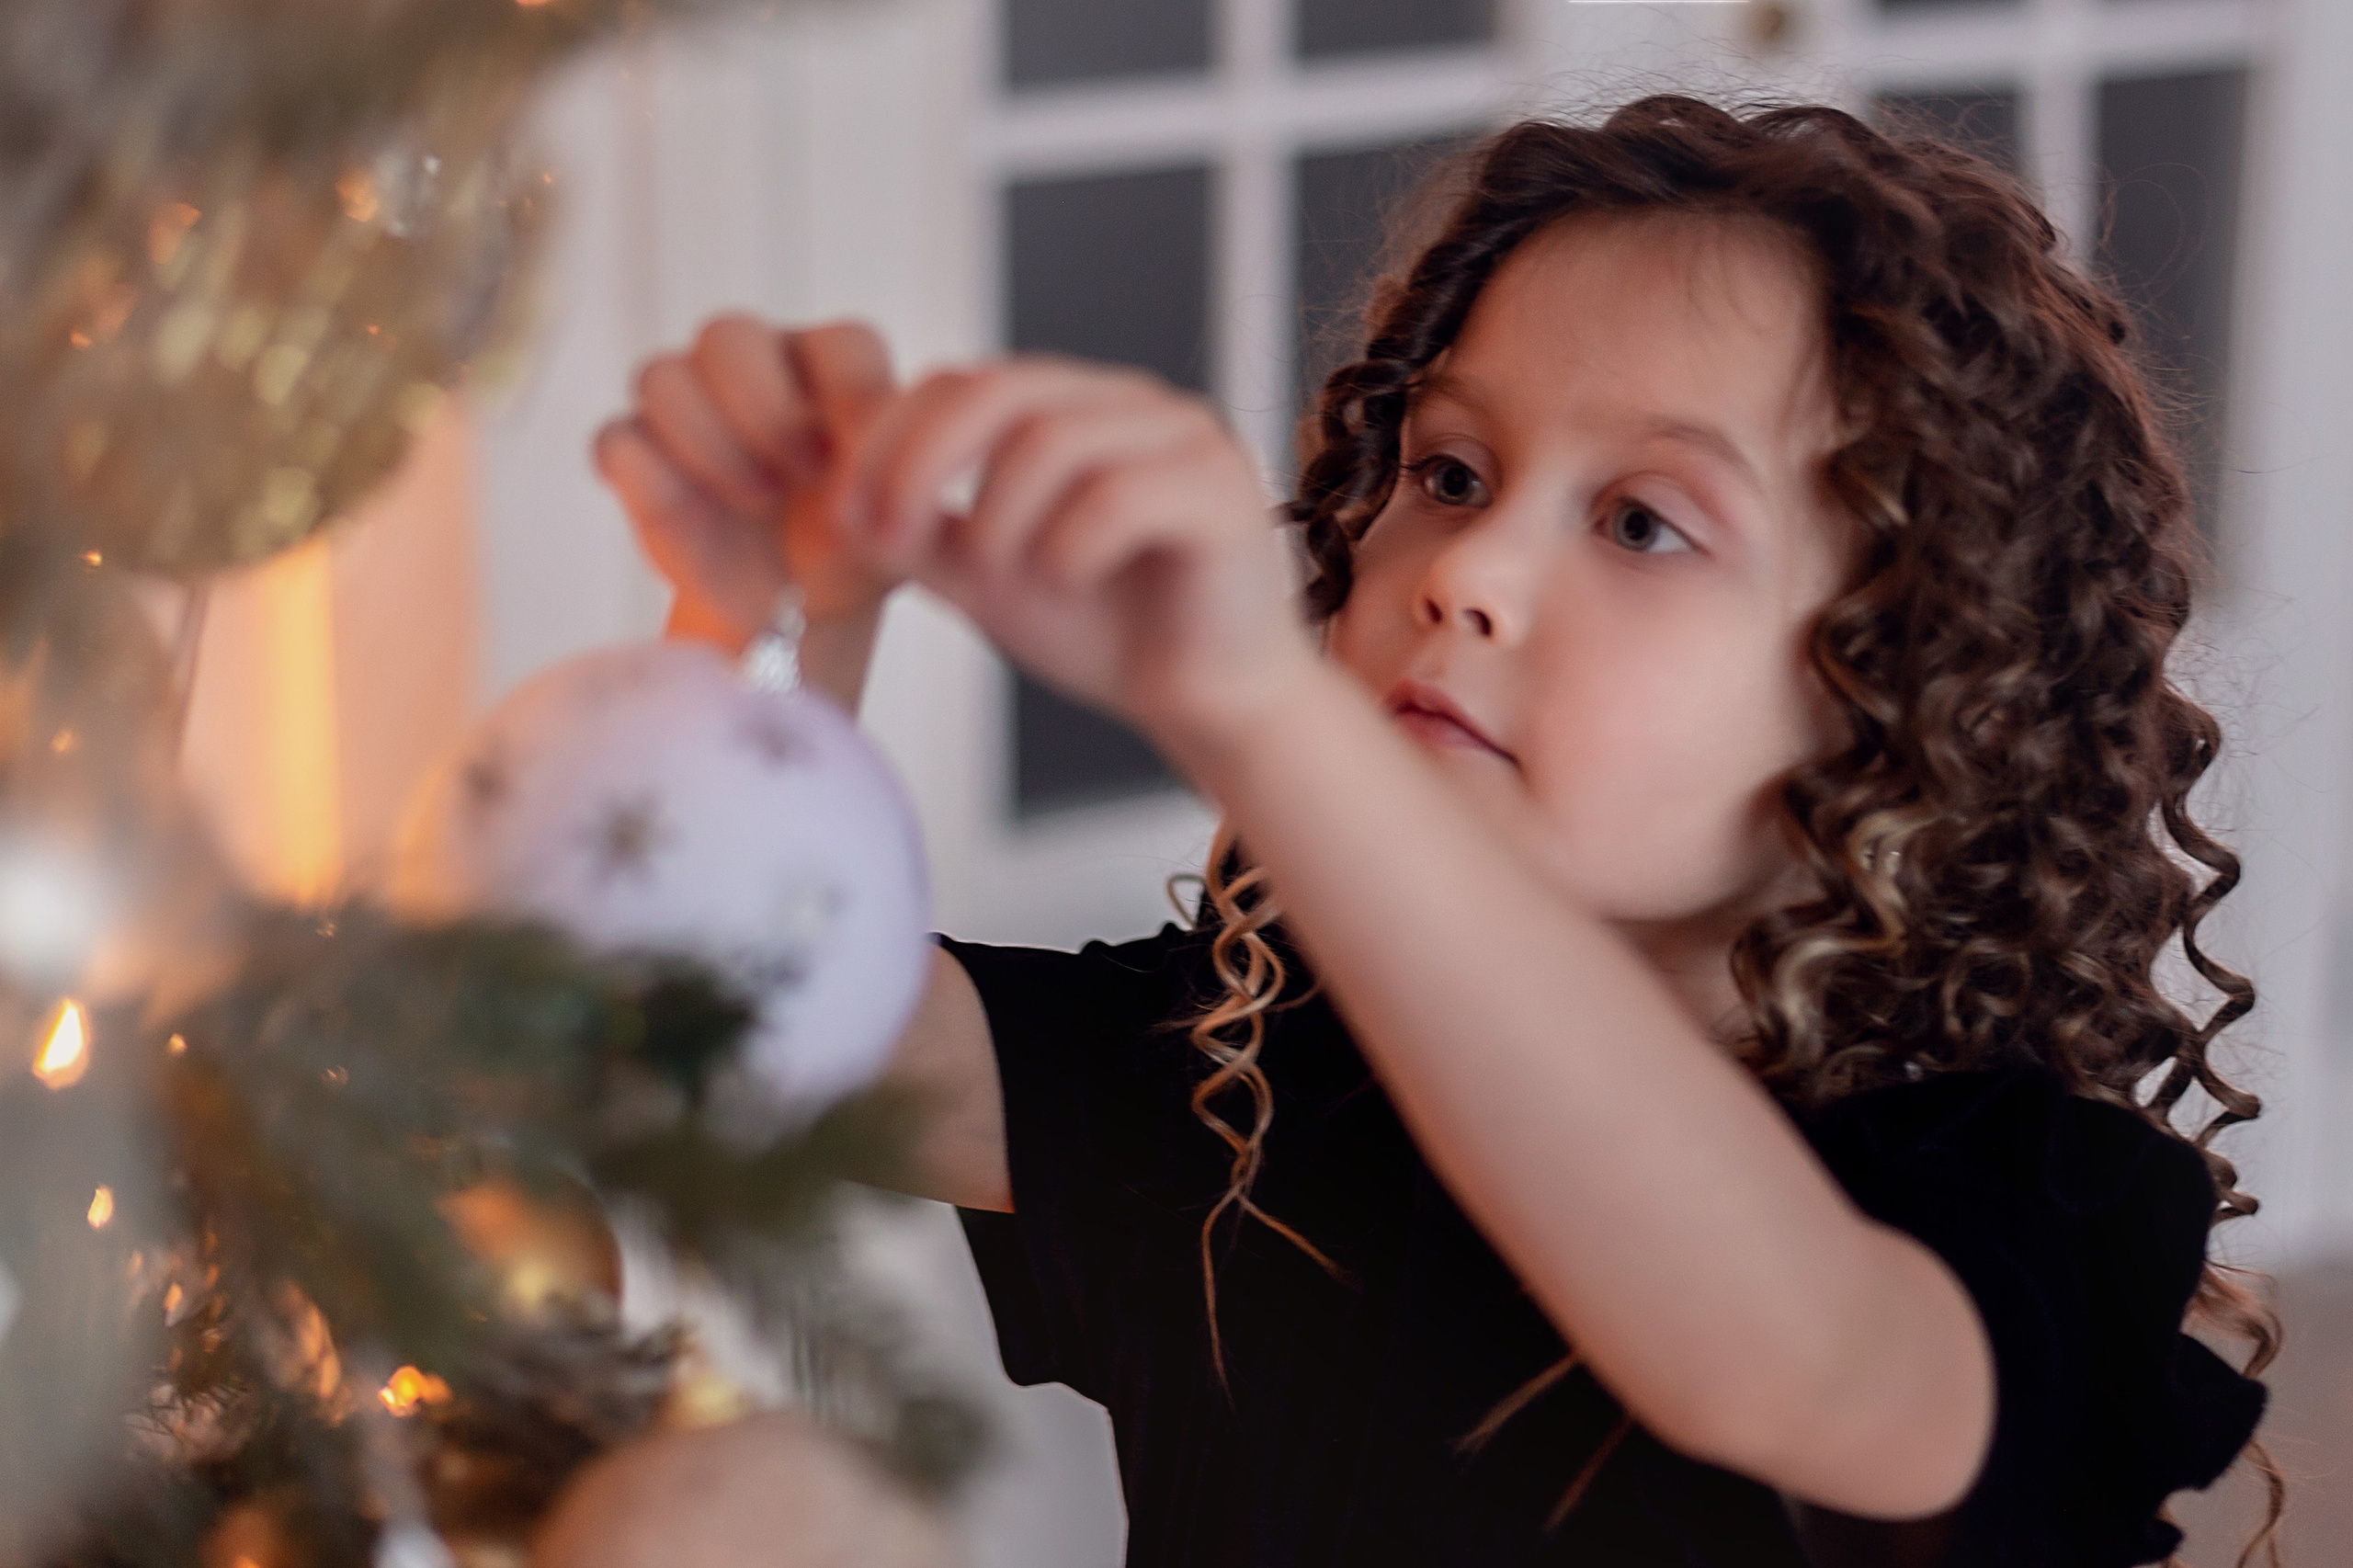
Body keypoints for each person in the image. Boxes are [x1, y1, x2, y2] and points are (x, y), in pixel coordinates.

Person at [592, 97, 2274, 1568]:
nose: (1461, 571)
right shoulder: (1251, 1085)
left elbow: (1772, 1357)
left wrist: (1259, 714)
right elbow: (707, 1030)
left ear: (1912, 696)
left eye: (1640, 521)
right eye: (1451, 472)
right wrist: (758, 615)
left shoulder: (2013, 1200)